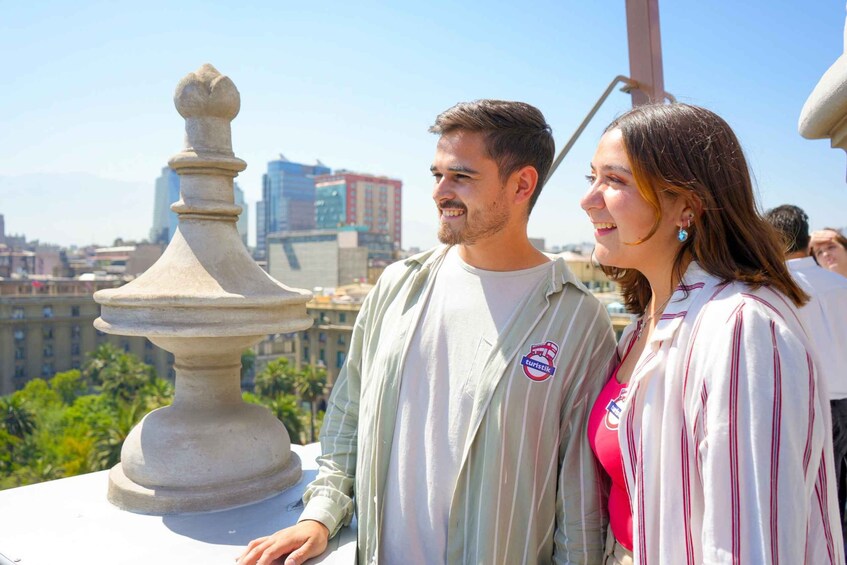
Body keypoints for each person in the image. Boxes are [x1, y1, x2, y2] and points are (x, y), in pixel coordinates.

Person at [238, 100, 617, 565]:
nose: (441, 192)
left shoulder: (578, 319)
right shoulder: (397, 286)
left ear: (522, 183)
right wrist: (320, 515)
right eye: (437, 175)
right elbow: (346, 417)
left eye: (461, 176)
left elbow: (579, 500)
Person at [581, 103, 843, 564]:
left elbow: (753, 544)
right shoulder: (647, 323)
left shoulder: (742, 331)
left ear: (686, 206)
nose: (589, 199)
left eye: (615, 180)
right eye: (592, 178)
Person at [765, 204, 847, 553]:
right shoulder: (838, 282)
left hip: (802, 400)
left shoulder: (770, 287)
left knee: (803, 493)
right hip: (844, 398)